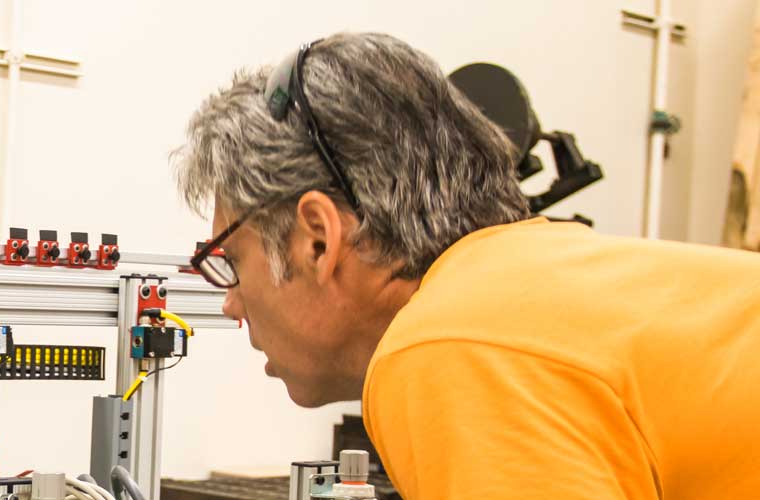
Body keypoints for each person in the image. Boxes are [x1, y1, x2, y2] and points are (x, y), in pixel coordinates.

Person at [173, 32, 760, 499]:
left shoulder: (445, 344)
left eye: (230, 261)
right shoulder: (533, 279)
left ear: (319, 241)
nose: (231, 303)